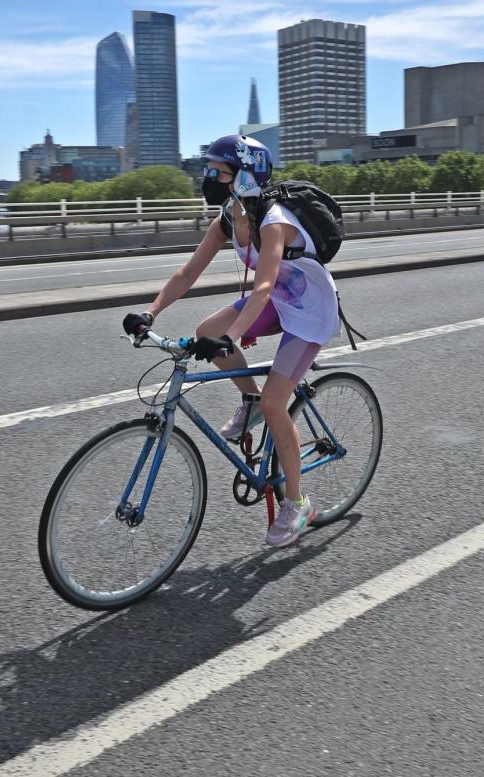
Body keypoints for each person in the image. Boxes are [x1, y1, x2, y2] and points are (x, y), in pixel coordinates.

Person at [122, 134, 340, 547]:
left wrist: (233, 337)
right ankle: (250, 399)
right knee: (206, 330)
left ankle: (298, 503)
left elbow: (262, 288)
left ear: (244, 177)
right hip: (279, 301)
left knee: (279, 401)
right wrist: (151, 312)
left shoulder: (273, 222)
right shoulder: (228, 218)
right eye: (207, 170)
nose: (207, 178)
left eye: (216, 172)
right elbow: (188, 273)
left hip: (309, 310)